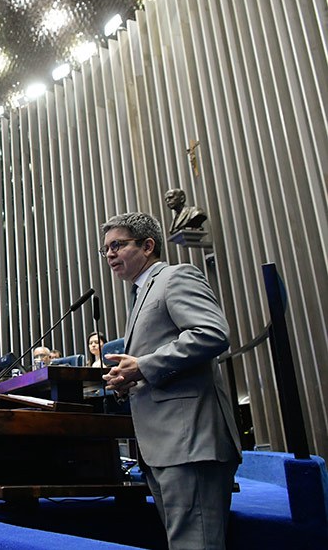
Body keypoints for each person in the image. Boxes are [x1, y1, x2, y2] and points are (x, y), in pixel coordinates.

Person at [99, 212, 240, 549]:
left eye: (117, 245)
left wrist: (142, 367)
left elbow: (212, 333)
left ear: (148, 246)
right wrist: (126, 380)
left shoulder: (175, 278)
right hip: (163, 445)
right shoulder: (140, 294)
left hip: (189, 442)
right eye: (105, 250)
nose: (109, 255)